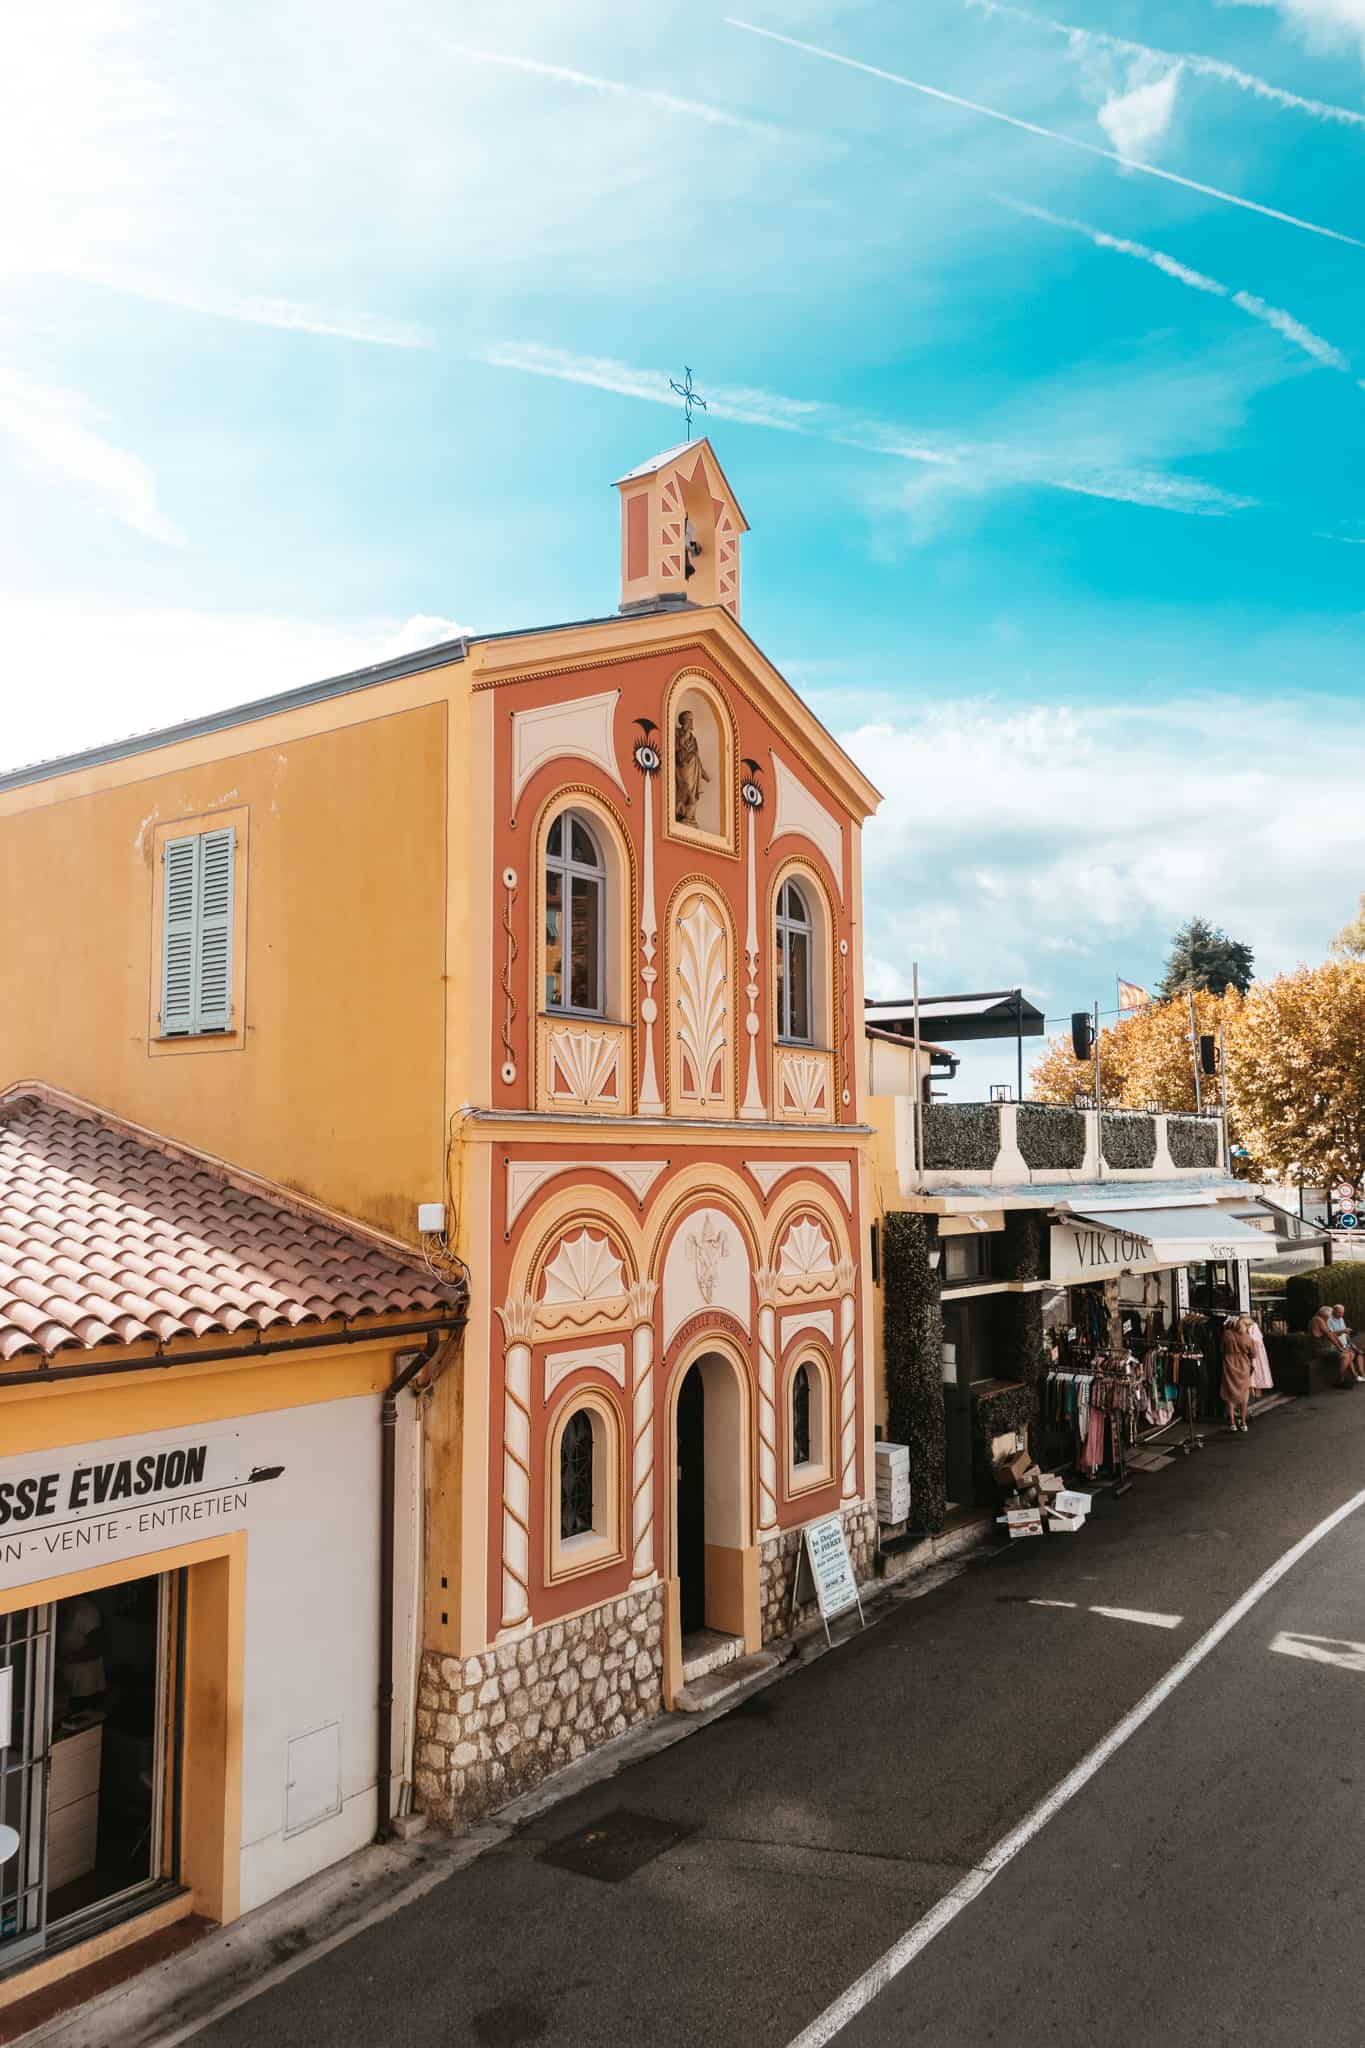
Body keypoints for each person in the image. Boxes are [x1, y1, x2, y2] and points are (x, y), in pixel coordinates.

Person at [1220, 1317, 1255, 1434]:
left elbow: (1221, 1349)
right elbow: (1253, 1354)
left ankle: (1232, 1423)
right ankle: (1244, 1423)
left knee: (1230, 1395)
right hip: (1243, 1366)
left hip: (1229, 1366)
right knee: (1244, 1396)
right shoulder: (1248, 1338)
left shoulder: (1227, 1334)